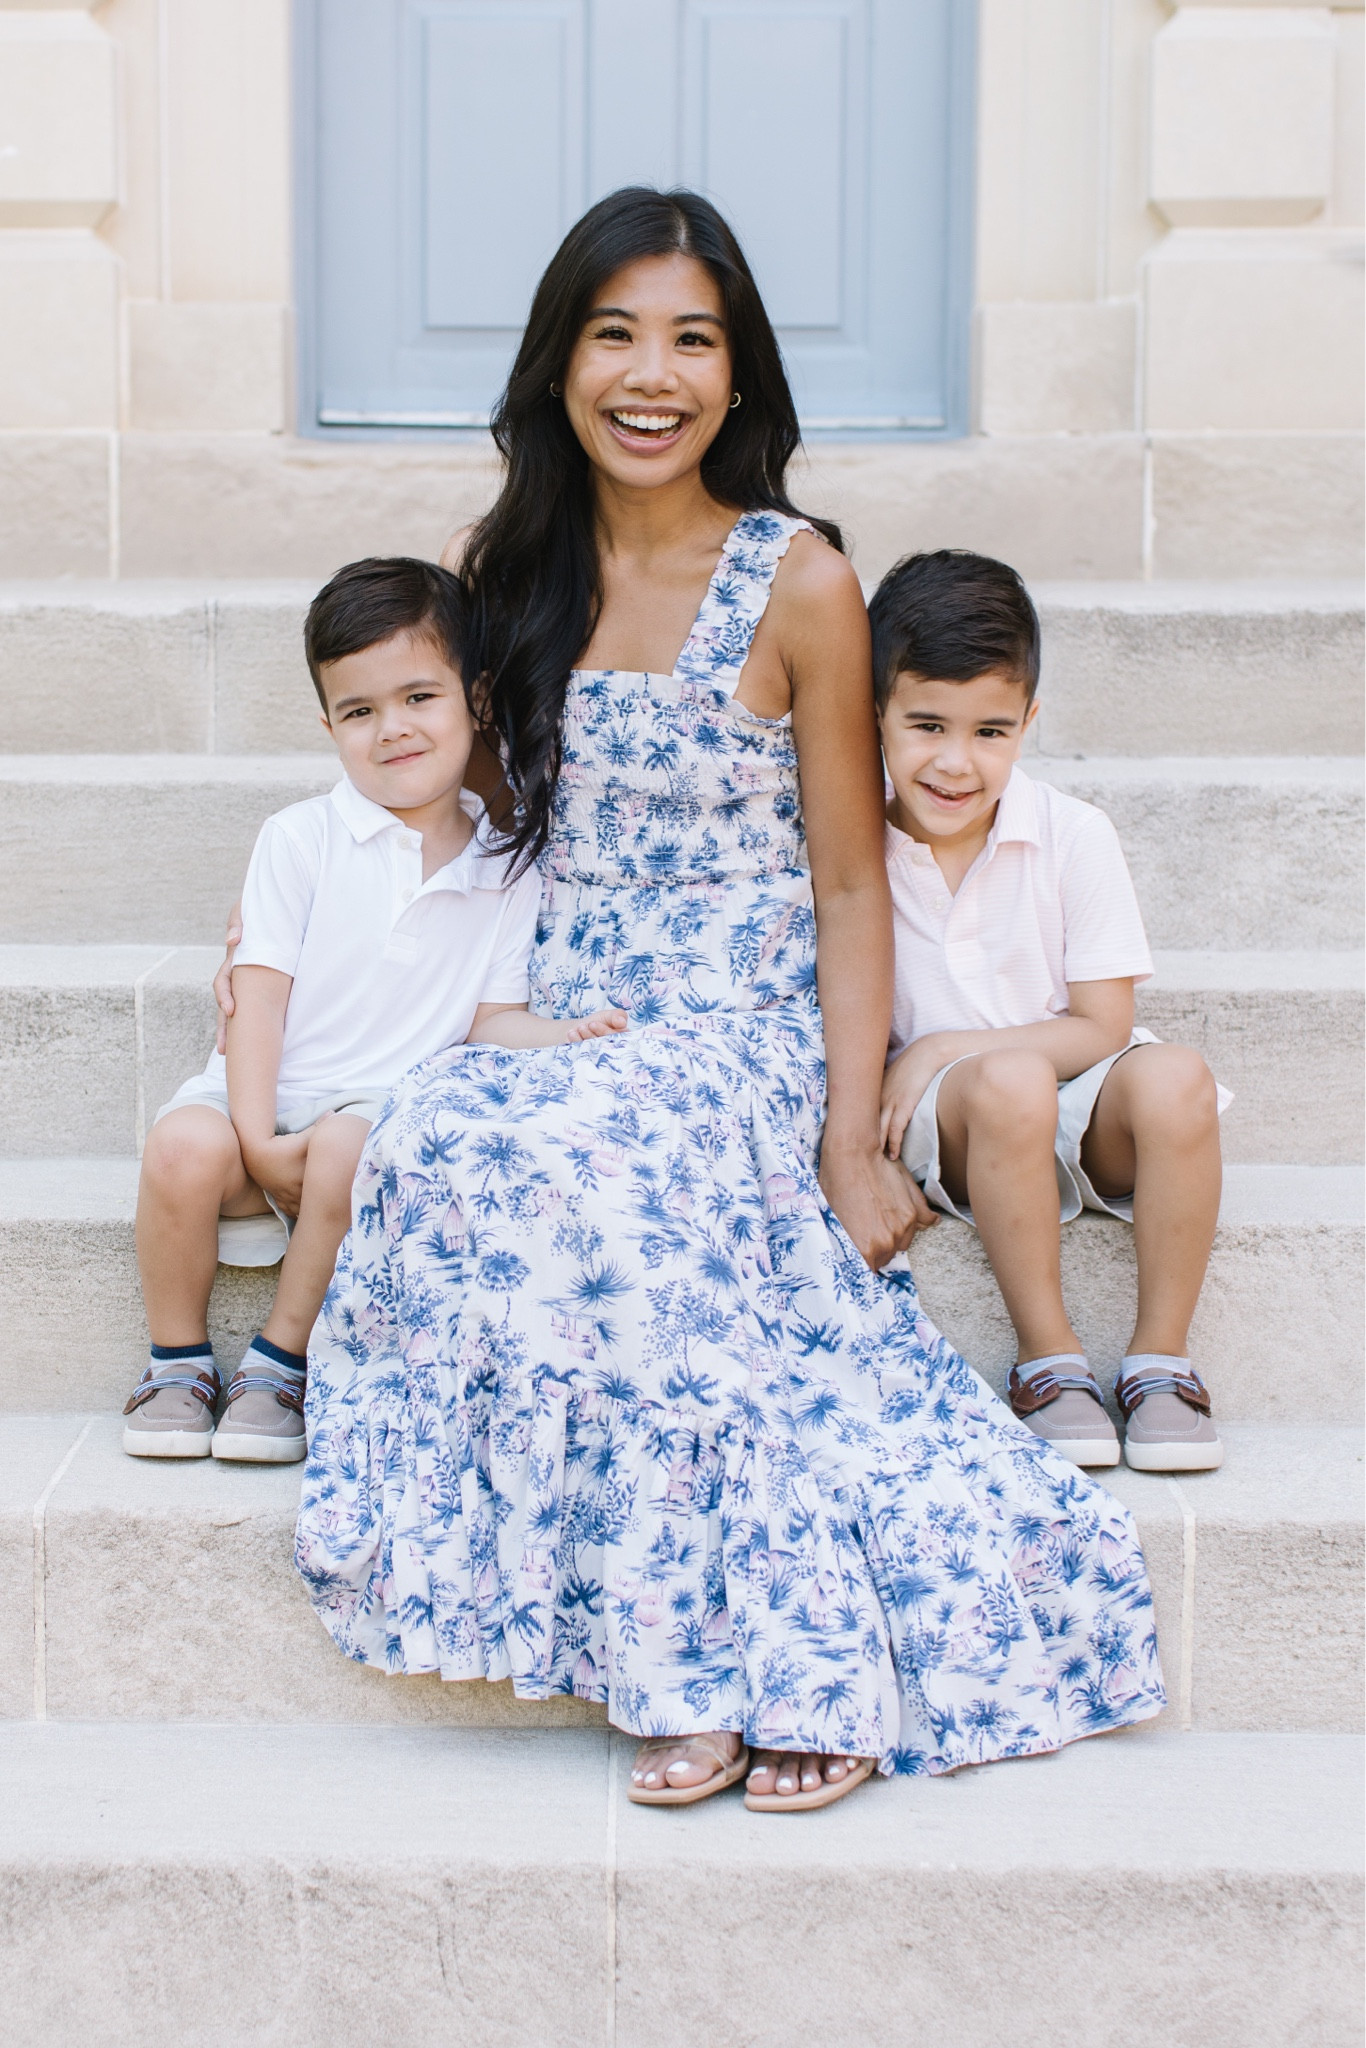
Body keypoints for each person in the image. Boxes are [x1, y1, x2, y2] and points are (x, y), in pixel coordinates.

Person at [220, 188, 1164, 1810]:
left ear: (737, 375)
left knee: (619, 1192)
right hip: (561, 1010)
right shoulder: (505, 569)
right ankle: (671, 1640)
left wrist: (851, 1139)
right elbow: (451, 798)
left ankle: (768, 1660)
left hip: (737, 1020)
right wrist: (313, 973)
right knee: (448, 1147)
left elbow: (851, 880)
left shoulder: (799, 579)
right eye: (614, 335)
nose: (650, 375)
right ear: (559, 361)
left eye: (691, 340)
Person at [125, 556, 622, 1463]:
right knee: (177, 1148)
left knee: (352, 1144)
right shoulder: (300, 838)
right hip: (258, 1105)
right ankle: (177, 1361)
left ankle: (279, 1362)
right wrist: (256, 1138)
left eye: (418, 697)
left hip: (362, 1127)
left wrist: (563, 1036)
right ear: (329, 726)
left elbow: (490, 1019)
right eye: (359, 711)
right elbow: (257, 998)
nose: (392, 728)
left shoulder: (505, 865)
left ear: (475, 699)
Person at [873, 549, 1226, 1474]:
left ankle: (1160, 1362)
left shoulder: (1073, 833)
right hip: (959, 1125)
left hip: (1069, 1094)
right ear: (874, 713)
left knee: (1177, 1076)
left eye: (991, 730)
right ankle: (1049, 1360)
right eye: (926, 725)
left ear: (1029, 722)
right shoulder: (850, 847)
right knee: (1010, 1081)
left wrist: (944, 1042)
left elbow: (1103, 1027)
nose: (956, 762)